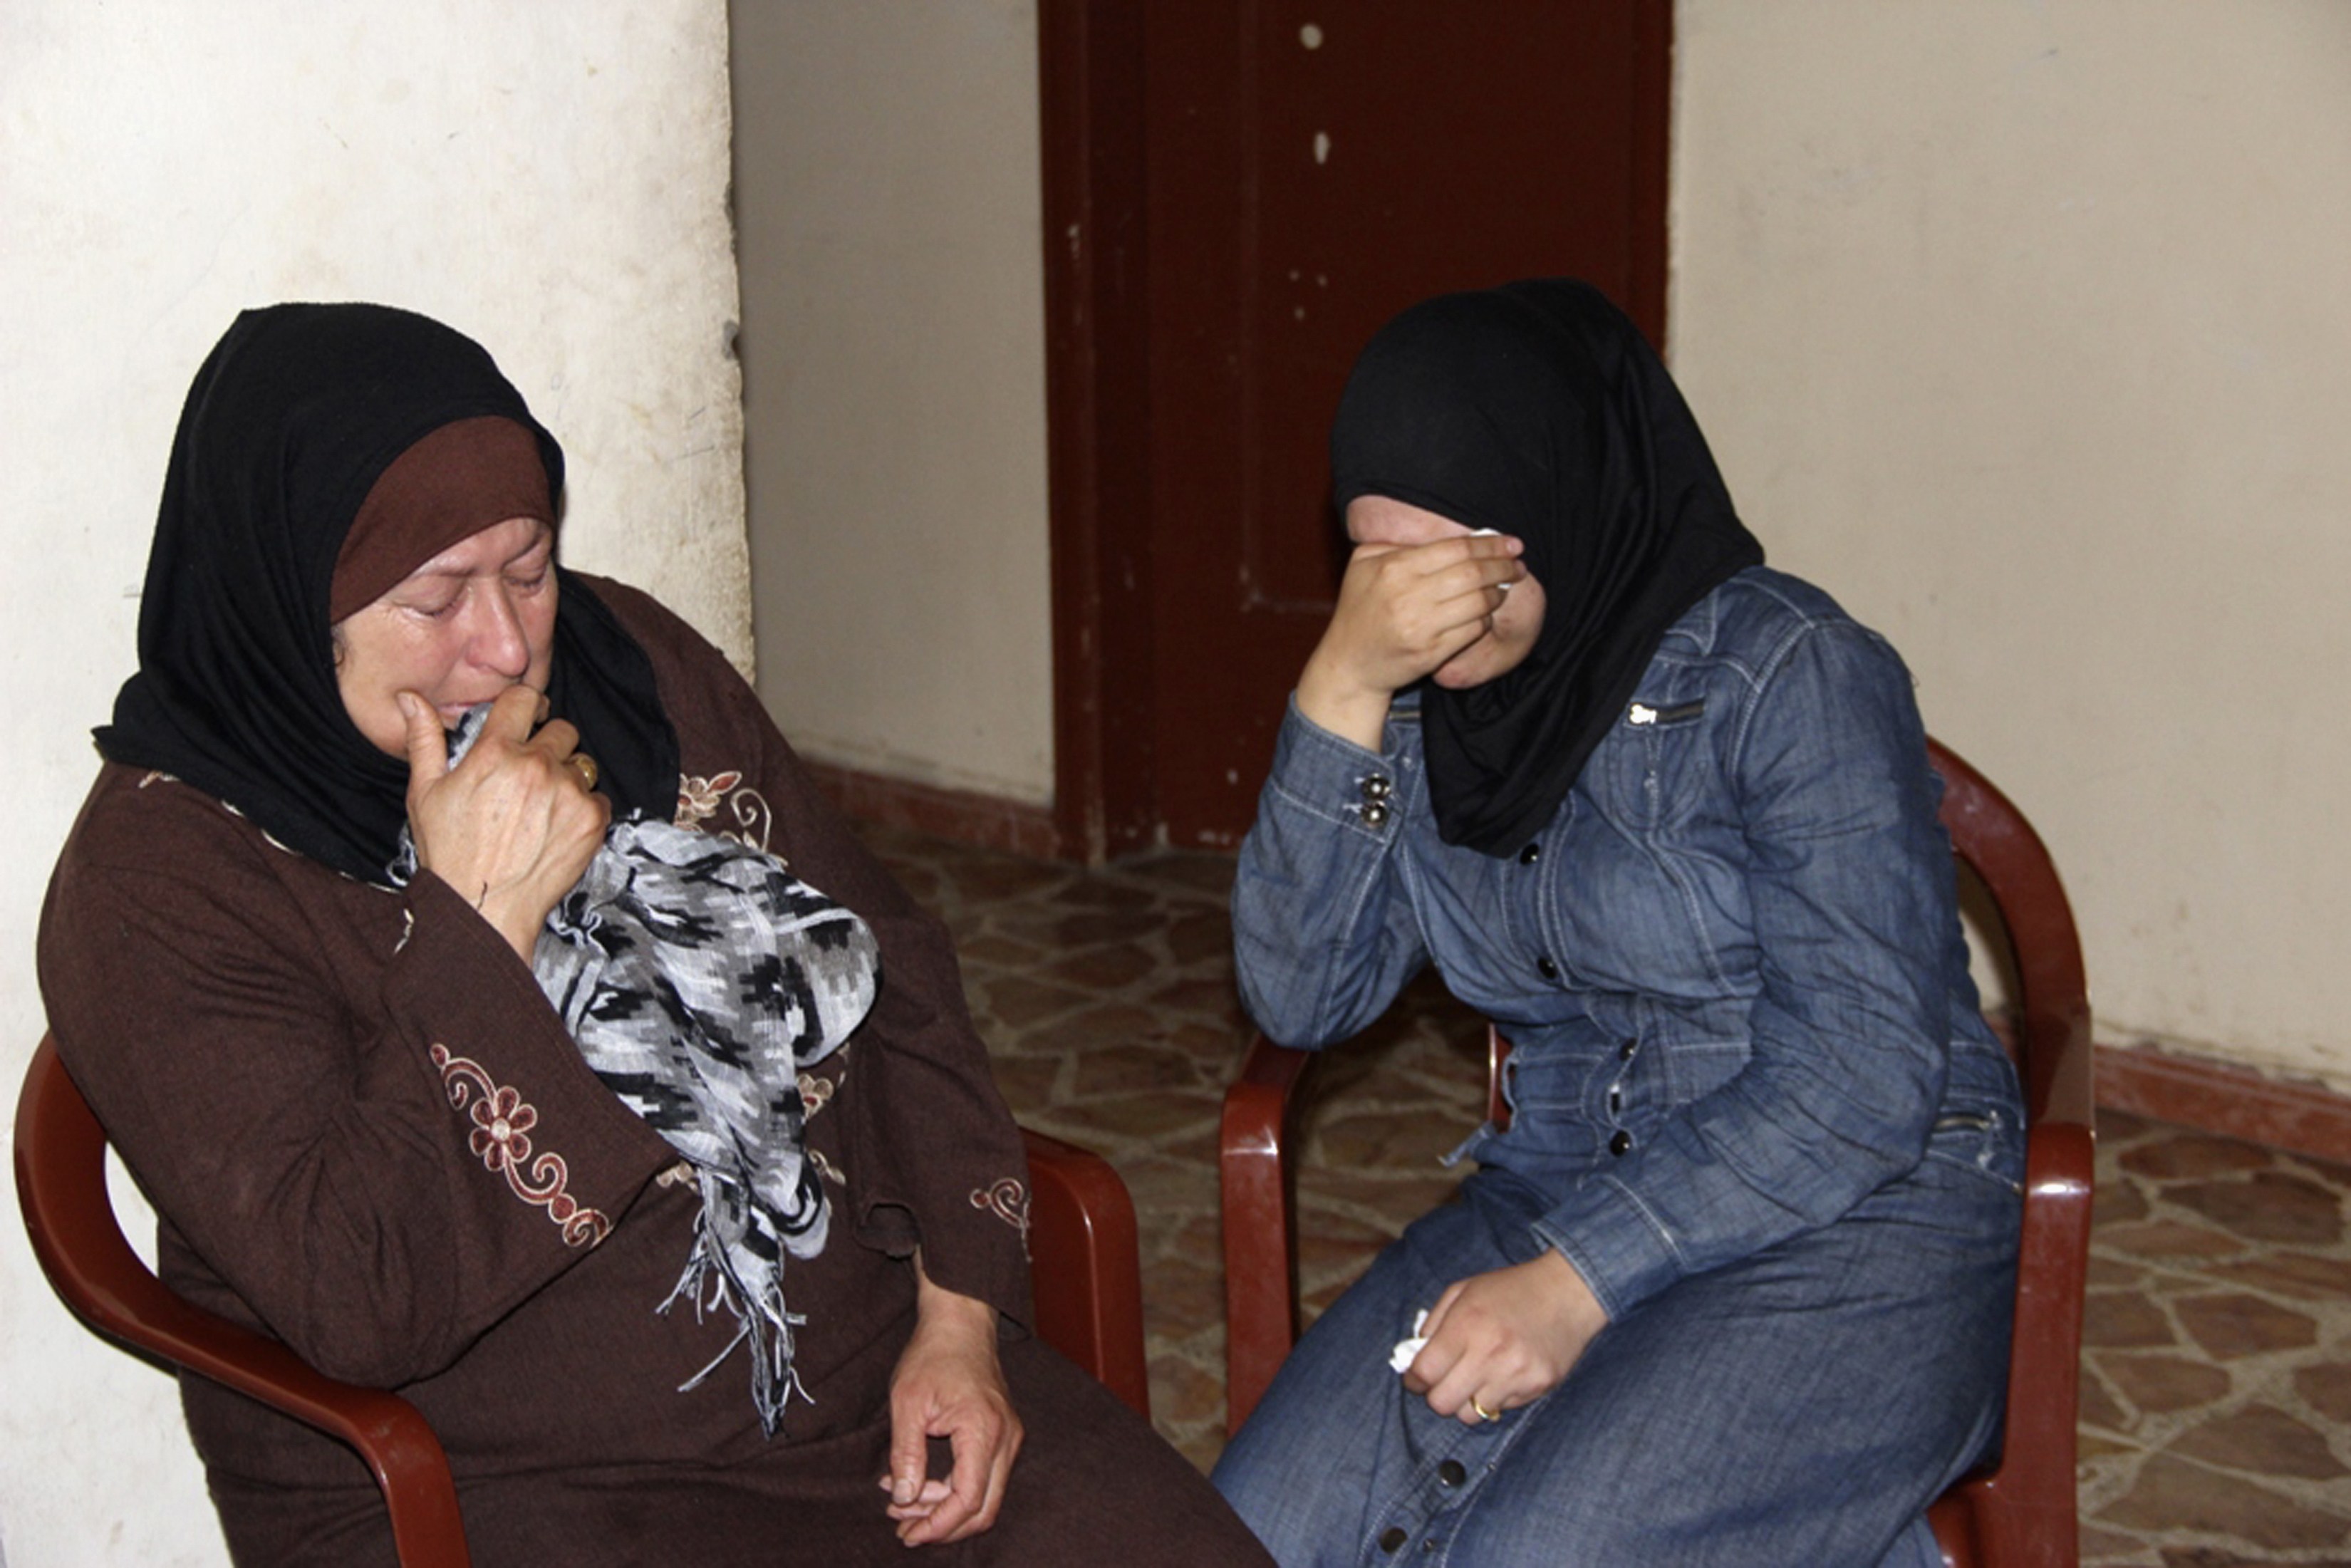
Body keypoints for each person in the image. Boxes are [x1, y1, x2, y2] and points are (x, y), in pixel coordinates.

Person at [38, 303, 1270, 1567]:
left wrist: (960, 1319)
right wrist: (480, 925)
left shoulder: (632, 671)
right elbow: (362, 1293)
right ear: (293, 608)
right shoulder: (164, 882)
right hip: (510, 1488)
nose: (508, 647)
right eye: (437, 599)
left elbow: (892, 970)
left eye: (529, 570)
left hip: (865, 1404)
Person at [1209, 280, 2026, 1567]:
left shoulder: (1787, 669)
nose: (1417, 604)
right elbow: (1304, 998)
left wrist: (1578, 1278)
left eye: (1453, 558)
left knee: (1530, 1552)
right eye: (1377, 563)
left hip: (1865, 1207)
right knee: (1247, 1537)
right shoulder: (1409, 708)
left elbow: (1864, 1077)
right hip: (1562, 1177)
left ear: (1555, 505)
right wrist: (1338, 690)